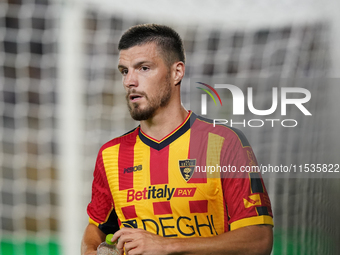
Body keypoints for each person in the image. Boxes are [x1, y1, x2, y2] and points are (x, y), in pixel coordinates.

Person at [81, 24, 273, 255]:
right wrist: (91, 250)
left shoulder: (222, 142)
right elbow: (97, 228)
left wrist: (166, 245)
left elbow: (259, 240)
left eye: (143, 68)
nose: (129, 81)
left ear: (177, 72)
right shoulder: (111, 154)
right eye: (124, 71)